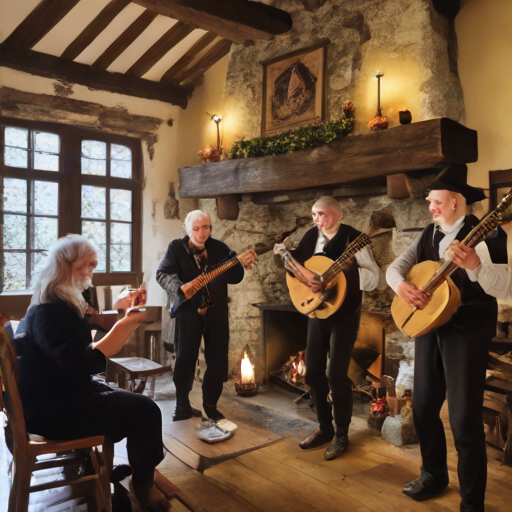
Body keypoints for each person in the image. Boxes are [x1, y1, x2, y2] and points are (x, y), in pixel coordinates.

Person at [386, 163, 511, 512]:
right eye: (429, 202)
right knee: (424, 407)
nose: (430, 207)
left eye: (435, 201)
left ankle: (472, 502)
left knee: (463, 419)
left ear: (455, 202)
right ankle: (433, 474)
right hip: (430, 325)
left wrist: (475, 266)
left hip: (468, 331)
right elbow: (394, 268)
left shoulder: (488, 235)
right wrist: (404, 287)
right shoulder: (429, 233)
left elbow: (507, 288)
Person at [14, 234, 168, 511]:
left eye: (93, 266)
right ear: (64, 266)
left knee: (122, 395)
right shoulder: (53, 311)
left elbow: (82, 328)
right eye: (87, 266)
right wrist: (123, 329)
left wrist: (118, 311)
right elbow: (80, 362)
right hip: (55, 413)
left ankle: (113, 467)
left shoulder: (48, 302)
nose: (90, 273)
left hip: (46, 400)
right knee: (146, 409)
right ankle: (144, 484)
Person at [275, 196, 383, 460]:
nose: (317, 220)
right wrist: (305, 276)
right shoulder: (312, 236)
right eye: (314, 214)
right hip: (317, 311)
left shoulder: (354, 239)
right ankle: (324, 427)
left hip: (345, 315)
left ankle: (342, 434)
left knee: (336, 374)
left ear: (338, 215)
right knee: (313, 372)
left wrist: (346, 274)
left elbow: (376, 280)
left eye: (322, 215)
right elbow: (295, 266)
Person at [156, 210, 256, 425]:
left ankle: (211, 406)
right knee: (185, 359)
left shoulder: (219, 248)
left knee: (218, 360)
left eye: (206, 227)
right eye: (196, 228)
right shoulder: (176, 247)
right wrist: (180, 287)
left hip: (217, 311)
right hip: (188, 311)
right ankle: (182, 405)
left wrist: (241, 265)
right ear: (187, 228)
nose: (202, 233)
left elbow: (235, 277)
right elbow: (162, 274)